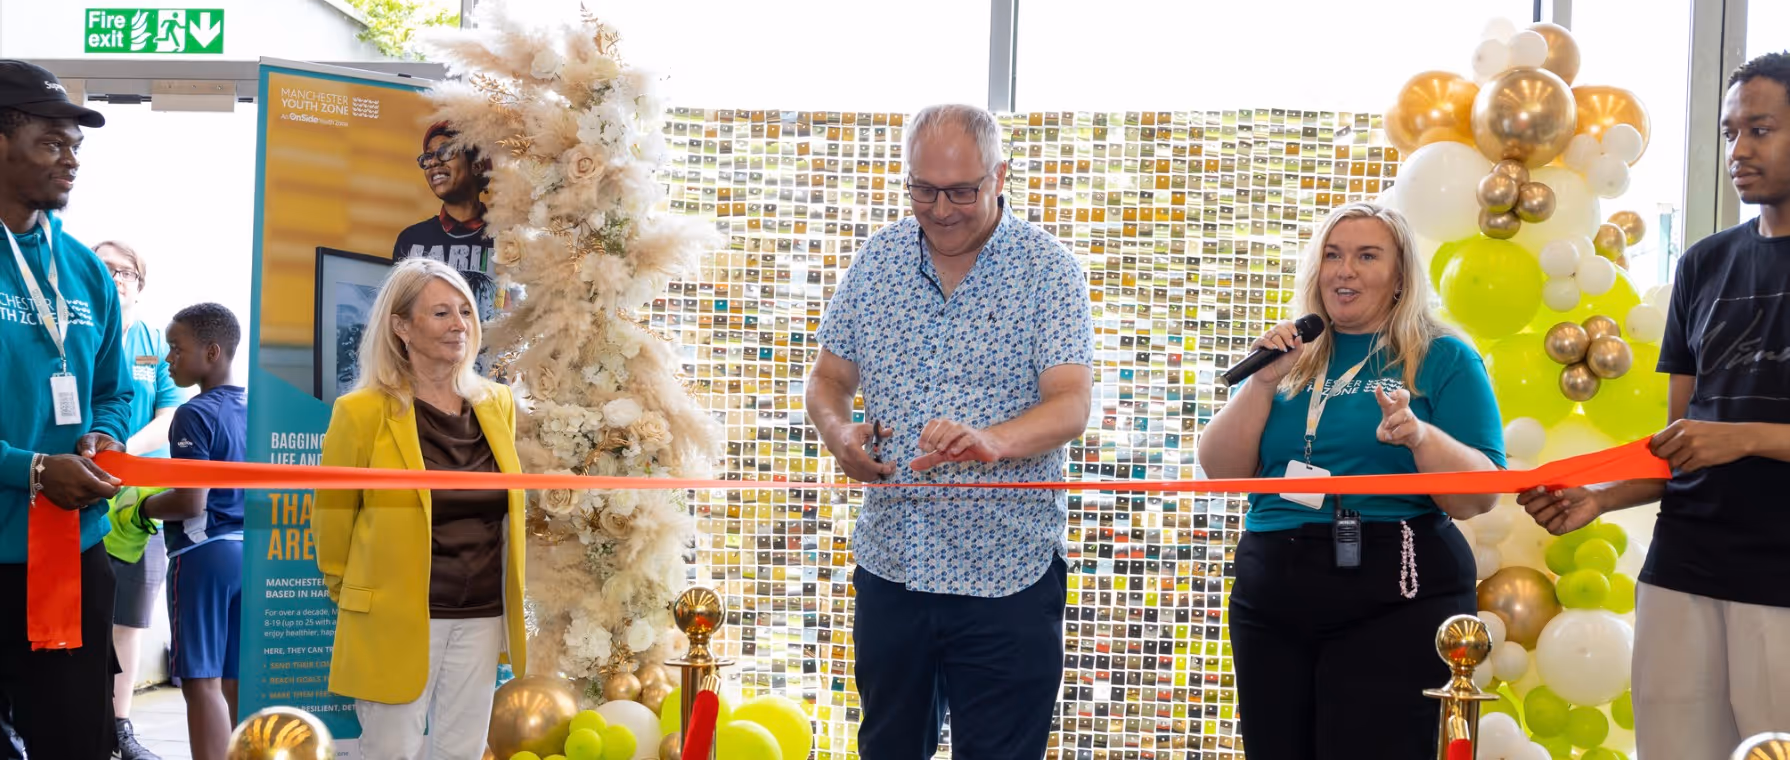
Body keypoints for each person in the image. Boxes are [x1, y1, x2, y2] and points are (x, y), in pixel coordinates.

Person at [1517, 51, 1790, 758]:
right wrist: (1602, 497)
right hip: (1682, 566)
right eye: (1730, 133)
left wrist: (1748, 438)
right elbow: (1677, 440)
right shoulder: (1704, 262)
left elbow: (1722, 437)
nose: (1739, 150)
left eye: (1760, 129)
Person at [806, 103, 1093, 758]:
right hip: (893, 568)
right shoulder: (876, 263)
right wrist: (840, 434)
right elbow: (826, 381)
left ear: (1000, 177)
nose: (940, 208)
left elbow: (1071, 403)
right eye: (923, 189)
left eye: (961, 190)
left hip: (1007, 577)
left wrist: (996, 440)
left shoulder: (1048, 270)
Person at [1196, 202, 1504, 760]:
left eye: (1367, 256)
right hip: (1274, 583)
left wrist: (1418, 436)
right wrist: (1262, 383)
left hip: (1395, 584)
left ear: (1400, 276)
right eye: (1333, 256)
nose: (1345, 271)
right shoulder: (1294, 354)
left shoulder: (1441, 356)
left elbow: (1479, 493)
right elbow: (1221, 470)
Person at [316, 258, 529, 759]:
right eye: (440, 313)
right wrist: (360, 600)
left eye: (465, 312)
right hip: (394, 618)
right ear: (401, 327)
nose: (459, 324)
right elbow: (332, 520)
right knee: (392, 751)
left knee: (462, 751)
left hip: (481, 615)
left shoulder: (496, 404)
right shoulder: (360, 412)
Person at [0, 59, 127, 760]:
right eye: (53, 142)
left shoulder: (81, 268)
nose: (71, 160)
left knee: (75, 741)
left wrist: (104, 434)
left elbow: (114, 387)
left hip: (69, 554)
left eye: (76, 145)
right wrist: (32, 468)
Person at [140, 303, 246, 760]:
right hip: (251, 554)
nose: (168, 360)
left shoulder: (193, 413)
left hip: (203, 555)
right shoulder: (253, 407)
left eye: (176, 349)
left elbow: (189, 501)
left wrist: (142, 505)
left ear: (212, 352)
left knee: (200, 683)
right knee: (236, 679)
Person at [95, 239, 184, 760]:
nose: (116, 277)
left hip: (138, 507)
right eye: (104, 268)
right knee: (76, 618)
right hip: (75, 495)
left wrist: (122, 452)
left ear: (140, 283)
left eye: (126, 270)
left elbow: (170, 413)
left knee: (129, 621)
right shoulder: (74, 335)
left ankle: (119, 729)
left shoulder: (156, 341)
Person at [393, 122, 503, 325]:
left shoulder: (509, 239)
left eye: (446, 152)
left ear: (477, 164)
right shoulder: (411, 240)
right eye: (428, 157)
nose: (434, 162)